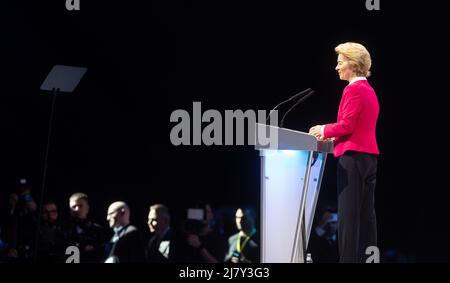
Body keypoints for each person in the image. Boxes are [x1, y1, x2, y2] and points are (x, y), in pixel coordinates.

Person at [309, 42, 379, 263]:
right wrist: (333, 135)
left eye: (340, 63)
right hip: (369, 158)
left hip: (352, 159)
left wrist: (323, 130)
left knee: (349, 216)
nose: (336, 67)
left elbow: (347, 125)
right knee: (366, 216)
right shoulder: (369, 91)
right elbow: (356, 127)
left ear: (354, 64)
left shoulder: (353, 89)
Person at [63, 192, 105, 262]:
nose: (76, 209)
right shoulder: (63, 228)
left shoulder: (97, 229)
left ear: (87, 208)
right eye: (74, 206)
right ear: (70, 210)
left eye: (80, 206)